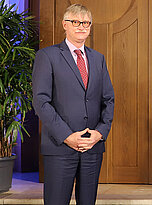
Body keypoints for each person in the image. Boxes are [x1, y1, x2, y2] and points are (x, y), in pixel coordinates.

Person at [32, 4, 114, 205]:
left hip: (91, 148)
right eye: (75, 22)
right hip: (60, 147)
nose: (81, 27)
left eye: (86, 23)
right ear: (64, 25)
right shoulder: (47, 56)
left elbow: (108, 100)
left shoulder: (98, 59)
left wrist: (100, 133)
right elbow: (41, 102)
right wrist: (67, 136)